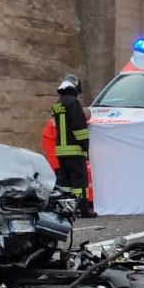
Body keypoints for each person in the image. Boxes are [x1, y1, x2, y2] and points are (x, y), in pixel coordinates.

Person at [53, 74, 95, 218]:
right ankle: (83, 210)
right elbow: (79, 127)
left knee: (65, 182)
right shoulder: (73, 103)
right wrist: (85, 145)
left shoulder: (57, 105)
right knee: (80, 182)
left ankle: (66, 209)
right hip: (75, 150)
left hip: (61, 150)